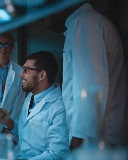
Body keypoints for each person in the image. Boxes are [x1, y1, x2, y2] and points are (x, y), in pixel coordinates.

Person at [41, 2, 128, 149]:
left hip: (97, 139)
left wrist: (80, 136)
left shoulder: (83, 23)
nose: (42, 21)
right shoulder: (85, 22)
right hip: (102, 135)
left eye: (42, 12)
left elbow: (90, 84)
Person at [0, 51, 69, 159]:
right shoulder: (30, 97)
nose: (21, 74)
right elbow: (27, 133)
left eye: (26, 70)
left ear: (42, 75)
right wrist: (9, 122)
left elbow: (57, 154)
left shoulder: (59, 108)